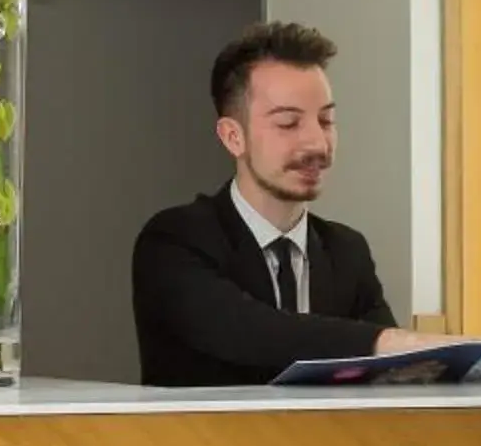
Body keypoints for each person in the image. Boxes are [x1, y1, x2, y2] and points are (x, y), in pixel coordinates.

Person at [132, 21, 453, 387]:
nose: (317, 143)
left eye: (326, 120)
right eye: (288, 123)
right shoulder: (175, 240)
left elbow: (389, 378)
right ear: (233, 137)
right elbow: (248, 332)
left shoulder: (346, 251)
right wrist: (385, 341)